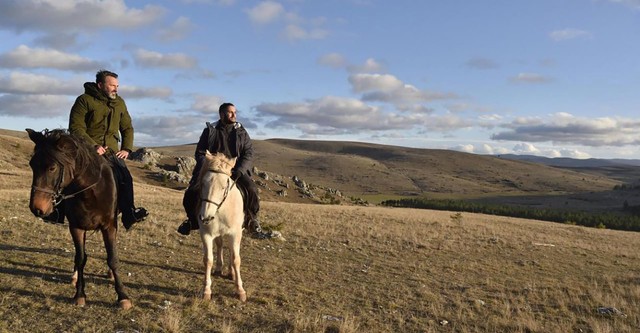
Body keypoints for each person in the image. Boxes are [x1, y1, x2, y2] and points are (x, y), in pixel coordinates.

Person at [67, 69, 148, 230]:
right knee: (66, 173)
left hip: (111, 152)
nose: (115, 89)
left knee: (126, 177)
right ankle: (56, 211)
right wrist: (92, 146)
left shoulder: (120, 103)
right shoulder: (84, 100)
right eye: (112, 85)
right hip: (86, 150)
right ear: (100, 85)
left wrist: (126, 148)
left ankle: (129, 213)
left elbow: (127, 128)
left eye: (117, 86)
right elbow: (76, 127)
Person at [177, 102, 271, 239]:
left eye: (235, 112)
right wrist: (209, 165)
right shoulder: (210, 130)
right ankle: (192, 220)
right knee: (191, 192)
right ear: (222, 114)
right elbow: (200, 152)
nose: (234, 115)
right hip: (213, 170)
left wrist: (240, 169)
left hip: (235, 170)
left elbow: (248, 153)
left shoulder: (241, 132)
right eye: (230, 112)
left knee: (251, 190)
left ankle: (252, 221)